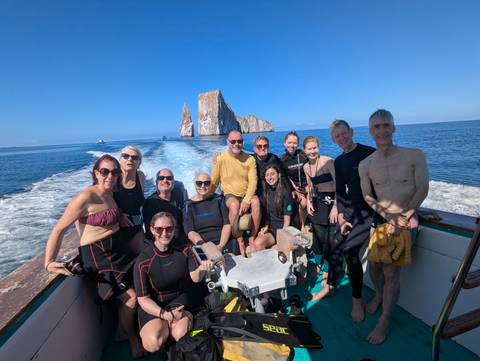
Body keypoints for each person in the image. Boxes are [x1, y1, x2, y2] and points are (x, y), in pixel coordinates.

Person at [44, 154, 144, 358]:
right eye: (105, 171)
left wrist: (122, 219)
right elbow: (59, 230)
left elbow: (113, 215)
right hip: (98, 255)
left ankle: (120, 330)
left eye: (115, 172)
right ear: (96, 173)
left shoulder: (111, 193)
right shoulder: (85, 198)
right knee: (131, 297)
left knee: (143, 275)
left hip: (117, 250)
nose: (110, 176)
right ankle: (131, 338)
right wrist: (48, 262)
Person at [359, 109, 429, 344]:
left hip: (407, 218)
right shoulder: (366, 164)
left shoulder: (414, 155)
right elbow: (368, 196)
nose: (382, 130)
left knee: (390, 272)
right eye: (377, 127)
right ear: (370, 132)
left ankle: (384, 320)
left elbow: (422, 188)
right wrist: (387, 215)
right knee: (373, 269)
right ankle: (379, 295)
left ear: (394, 128)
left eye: (386, 125)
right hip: (381, 218)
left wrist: (405, 216)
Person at [134, 212, 213, 353]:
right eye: (159, 229)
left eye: (169, 228)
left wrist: (202, 269)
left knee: (180, 335)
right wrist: (164, 315)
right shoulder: (143, 261)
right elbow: (142, 298)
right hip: (155, 305)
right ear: (152, 230)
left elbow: (195, 278)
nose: (164, 233)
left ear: (174, 229)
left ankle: (170, 337)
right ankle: (164, 330)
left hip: (180, 300)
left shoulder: (185, 249)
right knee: (153, 342)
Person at [329, 120, 376, 322]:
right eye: (337, 136)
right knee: (333, 238)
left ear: (351, 132)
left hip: (369, 212)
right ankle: (331, 281)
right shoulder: (339, 162)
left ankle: (357, 299)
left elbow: (385, 182)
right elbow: (340, 191)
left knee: (349, 250)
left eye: (344, 133)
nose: (342, 138)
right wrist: (340, 215)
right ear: (334, 139)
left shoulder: (369, 152)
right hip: (350, 210)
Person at [211, 130, 261, 255]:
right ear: (227, 142)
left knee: (256, 202)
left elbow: (253, 182)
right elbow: (215, 181)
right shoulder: (221, 158)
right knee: (234, 205)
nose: (236, 144)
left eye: (239, 141)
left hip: (245, 193)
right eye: (233, 141)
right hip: (230, 194)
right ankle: (239, 239)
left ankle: (252, 237)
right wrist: (206, 194)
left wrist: (247, 199)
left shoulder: (250, 159)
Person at [302, 135, 338, 301]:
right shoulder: (306, 167)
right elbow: (310, 186)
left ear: (318, 147)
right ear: (304, 151)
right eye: (309, 149)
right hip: (317, 202)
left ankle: (327, 270)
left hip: (332, 202)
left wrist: (336, 207)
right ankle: (319, 264)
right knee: (318, 237)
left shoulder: (328, 162)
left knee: (329, 239)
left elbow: (339, 185)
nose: (312, 151)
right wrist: (309, 202)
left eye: (314, 148)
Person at [183, 171, 238, 254]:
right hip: (202, 245)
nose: (203, 186)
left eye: (207, 183)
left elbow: (227, 224)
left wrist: (221, 246)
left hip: (223, 242)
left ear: (211, 184)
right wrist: (206, 247)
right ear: (194, 184)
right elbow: (190, 232)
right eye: (199, 183)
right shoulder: (189, 205)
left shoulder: (218, 200)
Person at [142, 168, 188, 245]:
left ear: (173, 182)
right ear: (156, 182)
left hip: (183, 242)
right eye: (161, 178)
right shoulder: (150, 203)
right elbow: (150, 232)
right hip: (163, 243)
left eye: (169, 178)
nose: (165, 180)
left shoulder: (180, 196)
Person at [254, 164, 294, 250]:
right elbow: (269, 216)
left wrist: (281, 240)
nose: (270, 177)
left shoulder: (285, 193)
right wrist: (265, 227)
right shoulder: (267, 192)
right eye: (267, 175)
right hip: (272, 229)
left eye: (273, 174)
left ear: (279, 175)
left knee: (275, 249)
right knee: (257, 244)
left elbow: (287, 222)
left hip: (283, 229)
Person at [114, 145, 145, 254]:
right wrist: (119, 214)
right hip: (114, 229)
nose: (130, 159)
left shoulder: (140, 176)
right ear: (120, 160)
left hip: (136, 228)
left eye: (135, 157)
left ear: (139, 163)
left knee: (141, 260)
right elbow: (99, 202)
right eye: (125, 156)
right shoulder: (113, 179)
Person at [280, 131, 308, 230]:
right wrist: (294, 189)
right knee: (303, 203)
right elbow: (285, 177)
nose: (292, 145)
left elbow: (312, 168)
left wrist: (309, 186)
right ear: (285, 143)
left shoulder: (303, 155)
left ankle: (307, 223)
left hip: (308, 187)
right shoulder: (282, 160)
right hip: (295, 189)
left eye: (295, 143)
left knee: (307, 202)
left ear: (298, 144)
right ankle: (302, 225)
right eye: (289, 142)